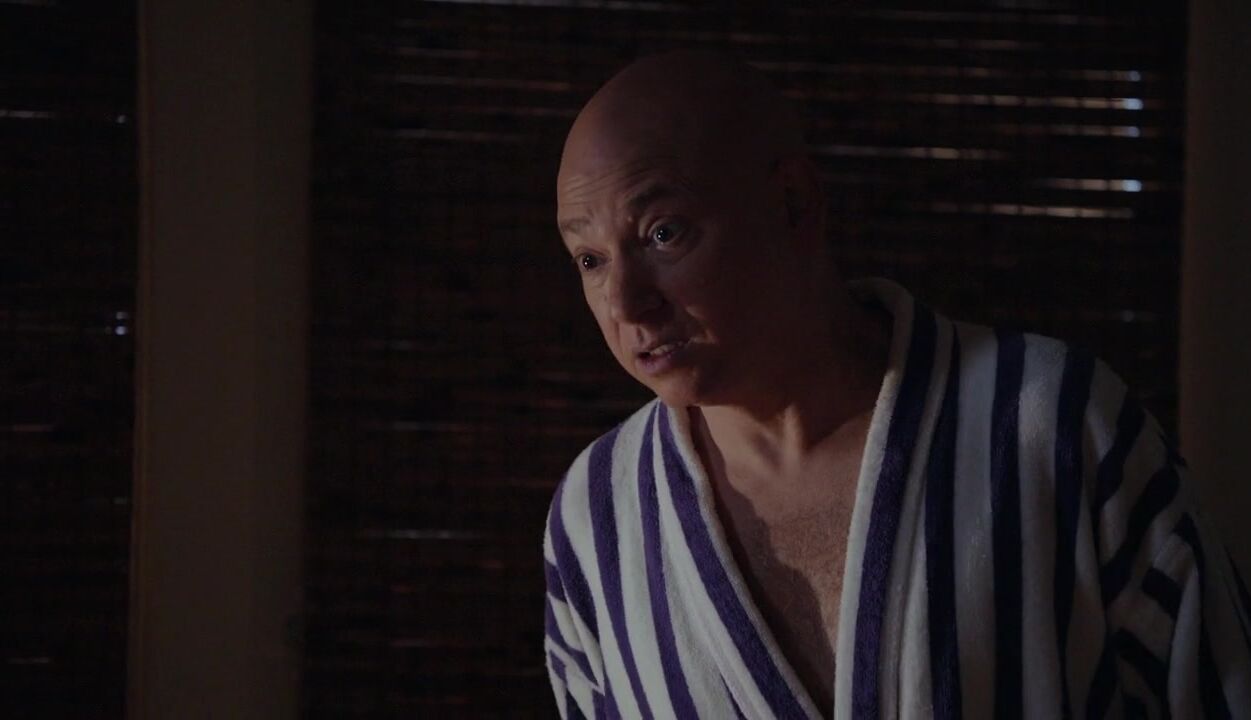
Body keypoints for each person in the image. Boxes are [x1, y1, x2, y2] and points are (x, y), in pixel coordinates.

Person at [541, 50, 1251, 719]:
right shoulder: (595, 516)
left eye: (662, 233)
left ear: (793, 204)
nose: (625, 304)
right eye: (589, 260)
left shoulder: (1055, 425)